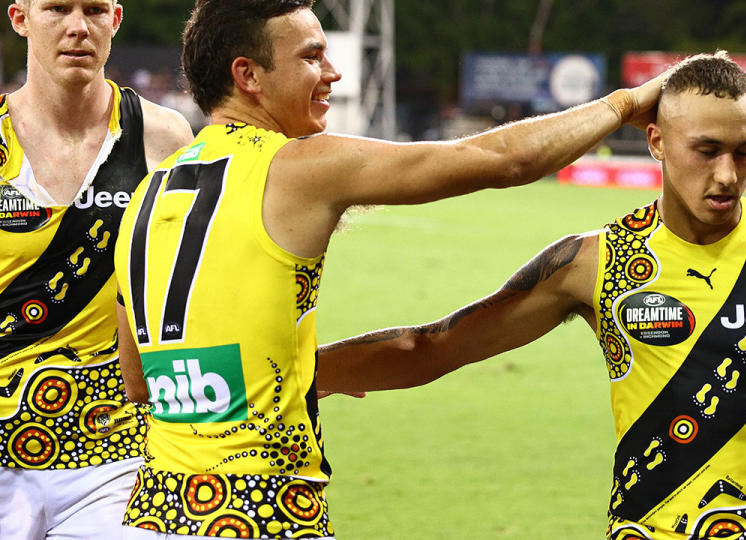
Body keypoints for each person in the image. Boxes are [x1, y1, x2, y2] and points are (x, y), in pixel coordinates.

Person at [314, 52, 746, 540]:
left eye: (745, 151)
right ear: (656, 141)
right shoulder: (591, 263)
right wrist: (301, 374)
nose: (728, 174)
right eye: (705, 150)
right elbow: (435, 346)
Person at [111, 0, 664, 537]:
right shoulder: (296, 165)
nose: (333, 72)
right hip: (257, 509)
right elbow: (503, 161)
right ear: (248, 75)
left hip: (155, 507)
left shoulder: (145, 197)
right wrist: (622, 105)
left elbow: (138, 381)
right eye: (311, 57)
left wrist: (289, 372)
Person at [0, 0, 194, 538]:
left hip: (114, 462)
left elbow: (183, 298)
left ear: (117, 19)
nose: (77, 27)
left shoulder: (164, 139)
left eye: (94, 10)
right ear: (20, 18)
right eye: (57, 8)